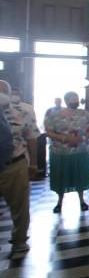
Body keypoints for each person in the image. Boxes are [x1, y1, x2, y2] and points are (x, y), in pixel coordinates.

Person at [0, 80, 39, 253]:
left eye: (3, 91)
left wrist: (34, 163)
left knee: (19, 205)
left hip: (14, 163)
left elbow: (31, 137)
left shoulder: (23, 112)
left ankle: (19, 239)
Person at [45, 91, 89, 213]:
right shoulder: (54, 115)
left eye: (77, 99)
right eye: (73, 99)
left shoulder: (85, 114)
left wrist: (82, 138)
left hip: (80, 150)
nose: (75, 101)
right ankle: (59, 201)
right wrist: (65, 138)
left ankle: (82, 200)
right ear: (66, 100)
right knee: (61, 177)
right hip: (61, 152)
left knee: (80, 176)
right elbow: (49, 131)